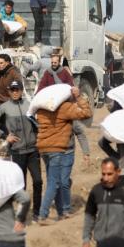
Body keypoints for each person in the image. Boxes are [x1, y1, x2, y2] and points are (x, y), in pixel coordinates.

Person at [0, 80, 41, 221]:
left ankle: (37, 213)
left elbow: (38, 124)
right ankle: (22, 215)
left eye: (17, 89)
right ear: (9, 91)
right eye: (12, 90)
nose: (15, 92)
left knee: (38, 181)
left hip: (33, 151)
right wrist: (5, 136)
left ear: (22, 90)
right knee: (21, 185)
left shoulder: (29, 106)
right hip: (17, 152)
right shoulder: (4, 108)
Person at [36, 86, 92, 223]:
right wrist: (79, 97)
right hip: (56, 150)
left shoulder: (42, 109)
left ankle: (62, 212)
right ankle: (43, 215)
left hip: (43, 149)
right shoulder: (65, 108)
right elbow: (87, 113)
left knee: (57, 181)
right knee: (54, 183)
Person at [81, 158, 124, 247]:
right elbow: (89, 215)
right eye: (103, 174)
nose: (106, 178)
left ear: (118, 172)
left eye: (109, 174)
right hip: (102, 245)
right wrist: (86, 240)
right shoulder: (96, 191)